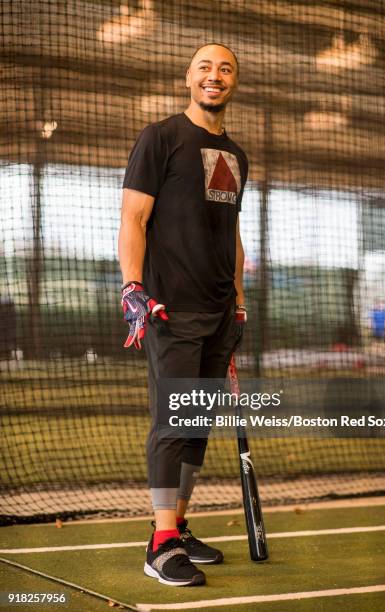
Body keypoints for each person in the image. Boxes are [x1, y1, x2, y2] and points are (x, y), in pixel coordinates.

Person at [118, 43, 248, 586]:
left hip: (220, 313)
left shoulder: (237, 154)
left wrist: (239, 303)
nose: (214, 76)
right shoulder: (161, 137)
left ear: (232, 82)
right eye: (204, 67)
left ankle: (178, 527)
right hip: (170, 308)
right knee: (172, 423)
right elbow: (133, 218)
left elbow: (233, 235)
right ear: (188, 78)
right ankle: (160, 543)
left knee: (195, 424)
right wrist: (132, 289)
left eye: (225, 69)